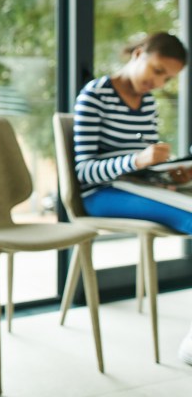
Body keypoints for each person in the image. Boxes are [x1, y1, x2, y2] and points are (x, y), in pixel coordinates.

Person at [73, 30, 192, 366]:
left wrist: (171, 173)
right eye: (157, 71)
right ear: (139, 53)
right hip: (99, 195)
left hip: (135, 187)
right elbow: (82, 172)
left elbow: (142, 169)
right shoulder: (94, 95)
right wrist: (136, 161)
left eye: (167, 78)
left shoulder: (148, 103)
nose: (159, 82)